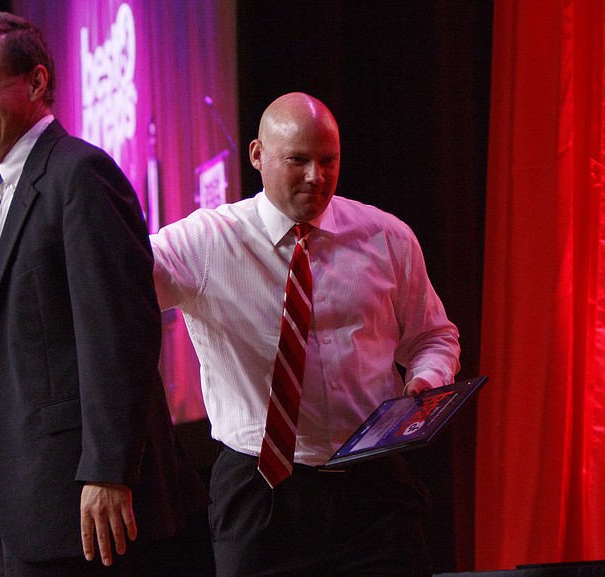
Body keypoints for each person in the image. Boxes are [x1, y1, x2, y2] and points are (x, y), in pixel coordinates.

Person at [150, 92, 461, 576]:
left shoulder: (387, 237)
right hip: (262, 493)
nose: (316, 177)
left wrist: (425, 382)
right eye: (298, 160)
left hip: (375, 490)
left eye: (328, 161)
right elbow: (115, 279)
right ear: (257, 154)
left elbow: (433, 337)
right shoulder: (207, 241)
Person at [0, 12, 209, 576]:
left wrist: (109, 469)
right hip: (14, 500)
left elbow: (119, 335)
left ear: (36, 83)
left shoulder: (79, 175)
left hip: (81, 503)